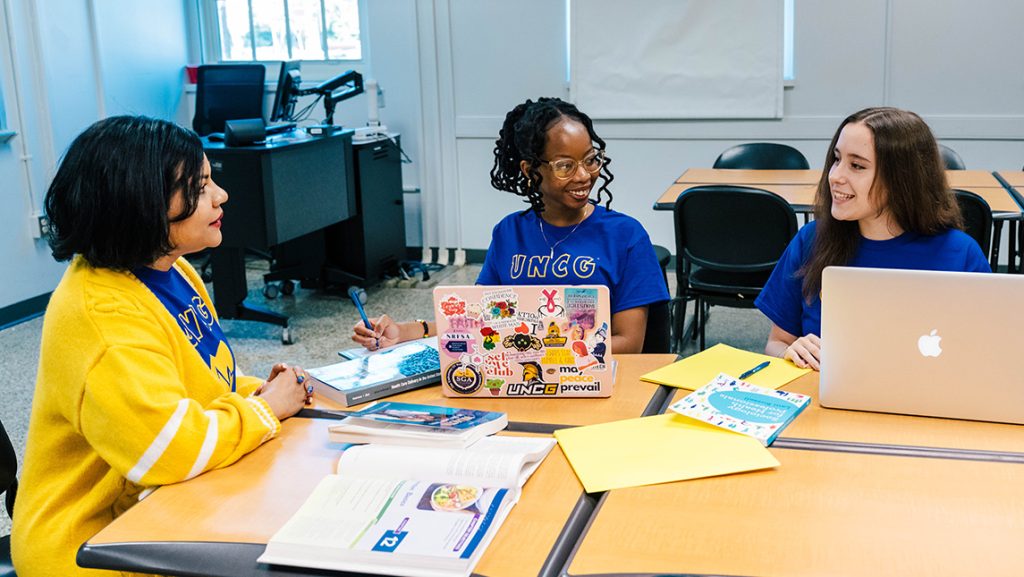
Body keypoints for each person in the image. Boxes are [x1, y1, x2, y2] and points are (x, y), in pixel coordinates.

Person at [11, 116, 310, 577]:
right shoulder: (101, 315)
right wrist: (266, 411)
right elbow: (169, 452)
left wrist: (263, 392)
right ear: (142, 203)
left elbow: (197, 385)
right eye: (200, 186)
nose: (221, 196)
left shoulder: (169, 268)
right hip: (92, 546)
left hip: (157, 505)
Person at [353, 97, 669, 353]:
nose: (584, 175)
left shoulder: (625, 236)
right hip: (521, 381)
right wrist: (408, 331)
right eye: (564, 166)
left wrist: (544, 349)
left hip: (590, 379)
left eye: (590, 159)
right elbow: (478, 318)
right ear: (531, 170)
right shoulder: (509, 234)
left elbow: (630, 344)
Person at [754, 107, 990, 371]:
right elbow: (776, 343)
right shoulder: (812, 241)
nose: (835, 176)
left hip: (928, 405)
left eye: (856, 166)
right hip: (828, 404)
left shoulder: (961, 254)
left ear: (902, 180)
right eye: (836, 159)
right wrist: (790, 351)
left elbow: (990, 356)